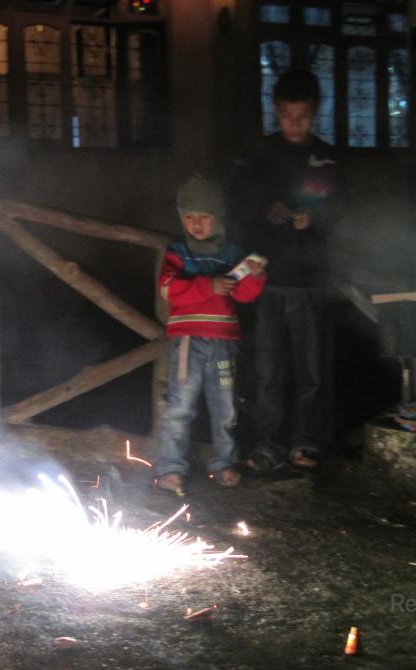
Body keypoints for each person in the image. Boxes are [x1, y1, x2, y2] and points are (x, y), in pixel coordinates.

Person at [231, 69, 340, 473]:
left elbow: (337, 211)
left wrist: (313, 220)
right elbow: (237, 203)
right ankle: (266, 443)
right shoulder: (258, 155)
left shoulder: (326, 157)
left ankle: (307, 440)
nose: (295, 125)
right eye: (287, 116)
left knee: (311, 370)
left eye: (304, 117)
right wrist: (264, 210)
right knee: (266, 369)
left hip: (310, 280)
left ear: (316, 113)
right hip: (265, 280)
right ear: (276, 111)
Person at [154, 175, 266, 496]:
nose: (196, 224)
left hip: (223, 341)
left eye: (204, 216)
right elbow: (167, 289)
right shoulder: (177, 252)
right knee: (180, 405)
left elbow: (243, 296)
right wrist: (208, 286)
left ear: (218, 217)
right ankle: (171, 468)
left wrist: (254, 277)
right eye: (189, 217)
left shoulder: (233, 253)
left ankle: (223, 463)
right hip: (189, 339)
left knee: (225, 406)